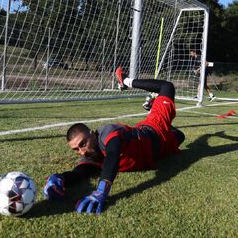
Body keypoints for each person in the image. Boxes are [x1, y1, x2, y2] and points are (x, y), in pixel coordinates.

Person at [43, 70, 185, 215]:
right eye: (76, 149)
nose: (82, 151)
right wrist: (60, 178)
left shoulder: (107, 133)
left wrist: (101, 191)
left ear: (92, 134)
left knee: (167, 87)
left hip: (154, 130)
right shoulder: (90, 156)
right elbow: (79, 173)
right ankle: (154, 106)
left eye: (83, 143)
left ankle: (126, 82)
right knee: (180, 136)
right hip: (162, 151)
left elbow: (112, 155)